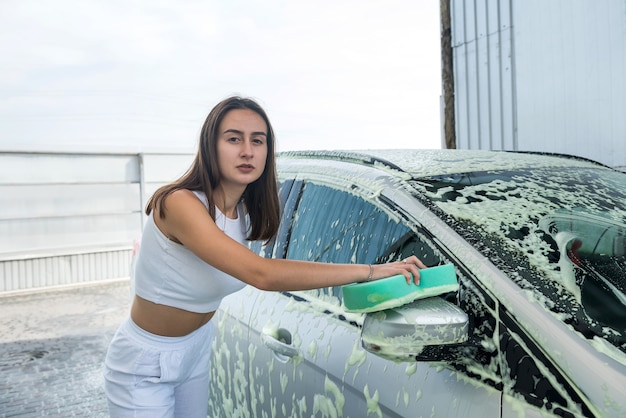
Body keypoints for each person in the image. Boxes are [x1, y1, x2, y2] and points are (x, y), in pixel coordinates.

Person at [103, 96, 426, 417]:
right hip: (145, 361)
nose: (247, 151)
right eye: (234, 139)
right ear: (209, 146)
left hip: (196, 348)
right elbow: (263, 274)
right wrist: (370, 270)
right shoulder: (180, 203)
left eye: (258, 141)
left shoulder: (242, 213)